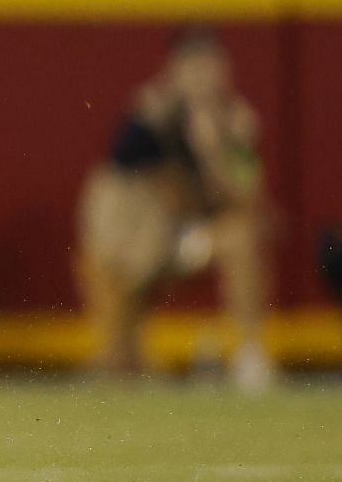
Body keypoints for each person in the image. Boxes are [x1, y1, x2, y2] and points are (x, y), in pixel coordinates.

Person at [76, 28, 274, 391]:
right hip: (144, 243)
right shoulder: (150, 116)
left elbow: (250, 199)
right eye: (191, 65)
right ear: (173, 69)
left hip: (189, 238)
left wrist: (215, 152)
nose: (201, 75)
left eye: (209, 64)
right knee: (119, 356)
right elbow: (153, 193)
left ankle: (250, 355)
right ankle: (122, 357)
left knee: (241, 238)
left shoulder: (238, 122)